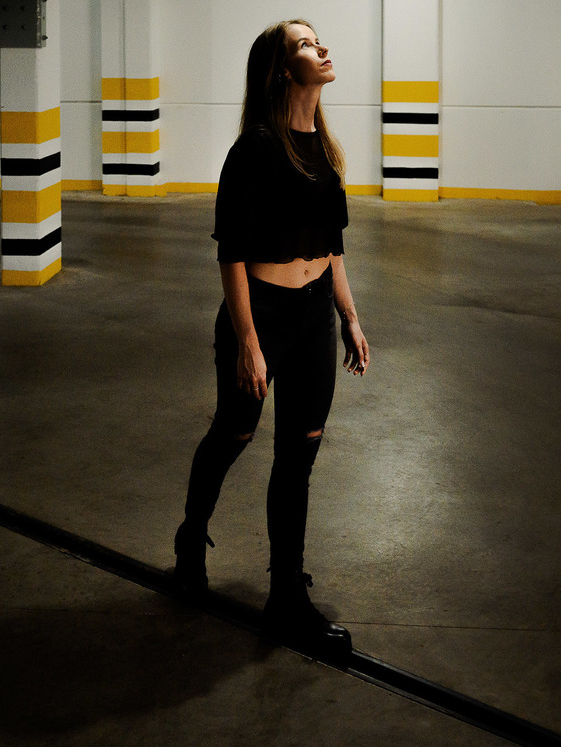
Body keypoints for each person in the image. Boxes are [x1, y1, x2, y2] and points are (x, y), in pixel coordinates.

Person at [173, 19, 369, 655]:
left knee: (299, 456)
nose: (324, 49)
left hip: (314, 317)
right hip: (260, 315)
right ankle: (190, 535)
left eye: (320, 40)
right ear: (284, 69)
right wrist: (249, 341)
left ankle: (286, 595)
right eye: (309, 44)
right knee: (235, 433)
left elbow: (331, 245)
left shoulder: (326, 150)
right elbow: (232, 252)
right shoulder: (255, 149)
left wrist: (349, 315)